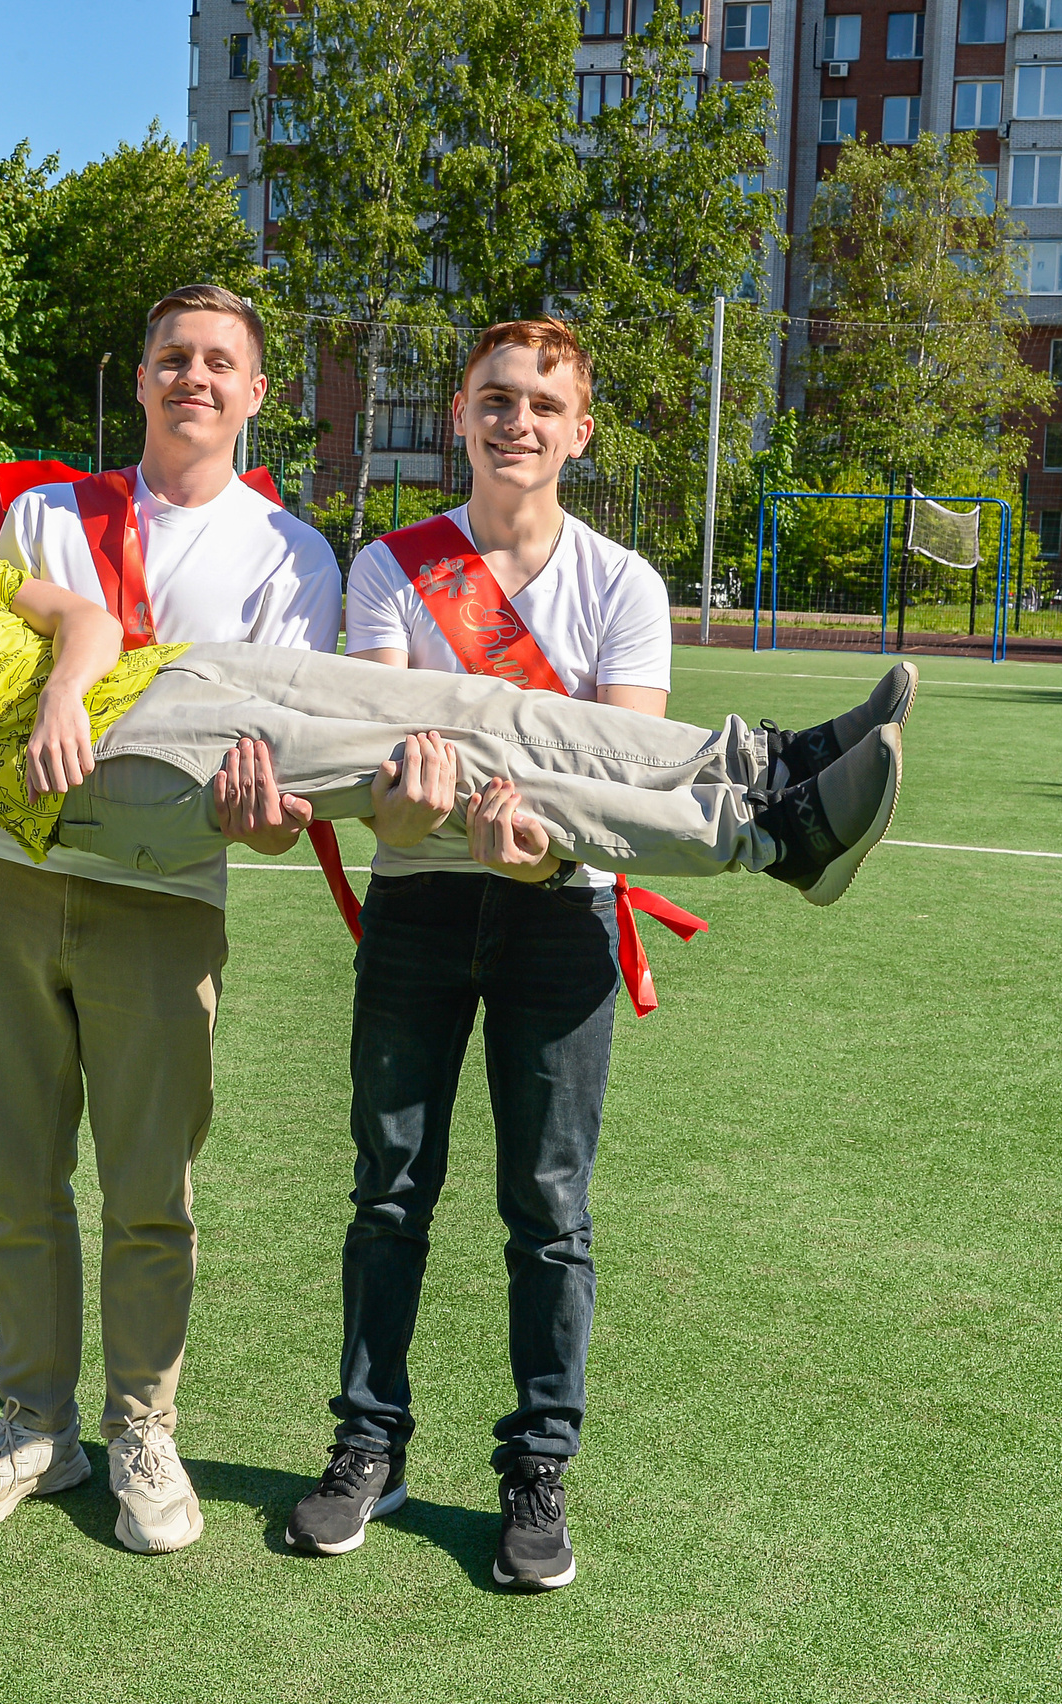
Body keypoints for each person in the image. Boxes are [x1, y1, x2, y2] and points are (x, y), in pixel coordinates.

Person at [269, 318, 916, 1589]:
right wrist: (478, 806)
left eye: (542, 405)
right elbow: (386, 786)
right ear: (457, 413)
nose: (517, 422)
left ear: (579, 433)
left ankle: (535, 1468)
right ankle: (367, 1446)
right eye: (495, 399)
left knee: (549, 1213)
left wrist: (525, 825)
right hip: (417, 904)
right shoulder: (390, 568)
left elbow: (611, 779)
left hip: (561, 905)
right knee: (388, 1194)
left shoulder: (621, 581)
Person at [0, 361, 907, 978]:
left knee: (480, 702)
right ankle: (770, 839)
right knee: (456, 755)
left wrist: (48, 697)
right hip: (115, 782)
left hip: (167, 679)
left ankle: (763, 761)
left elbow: (82, 625)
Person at [0, 284, 342, 1555]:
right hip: (9, 875)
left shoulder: (291, 556)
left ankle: (141, 1427)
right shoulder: (45, 515)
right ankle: (32, 1426)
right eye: (172, 357)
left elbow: (283, 804)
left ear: (257, 395)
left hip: (165, 902)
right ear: (141, 377)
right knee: (17, 1174)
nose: (192, 378)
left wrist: (268, 813)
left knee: (149, 1188)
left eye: (220, 363)